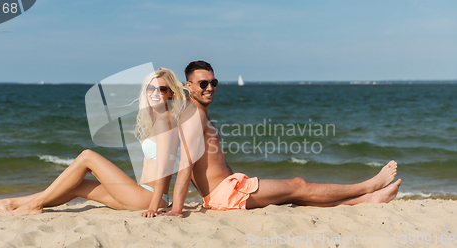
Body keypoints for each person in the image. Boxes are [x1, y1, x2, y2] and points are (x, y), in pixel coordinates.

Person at [160, 61, 401, 217]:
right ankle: (367, 186)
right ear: (188, 86)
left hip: (226, 190)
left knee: (296, 196)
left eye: (214, 82)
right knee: (298, 185)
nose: (210, 87)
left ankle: (368, 198)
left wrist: (206, 196)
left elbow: (202, 165)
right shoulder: (193, 116)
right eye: (203, 83)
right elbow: (186, 166)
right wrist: (177, 210)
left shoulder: (197, 114)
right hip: (226, 193)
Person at [0, 68, 186, 217]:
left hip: (148, 198)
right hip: (143, 195)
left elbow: (164, 168)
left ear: (171, 94)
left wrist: (152, 208)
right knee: (78, 186)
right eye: (151, 88)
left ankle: (34, 205)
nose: (155, 93)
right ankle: (9, 202)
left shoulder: (166, 123)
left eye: (162, 89)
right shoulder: (159, 121)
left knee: (87, 156)